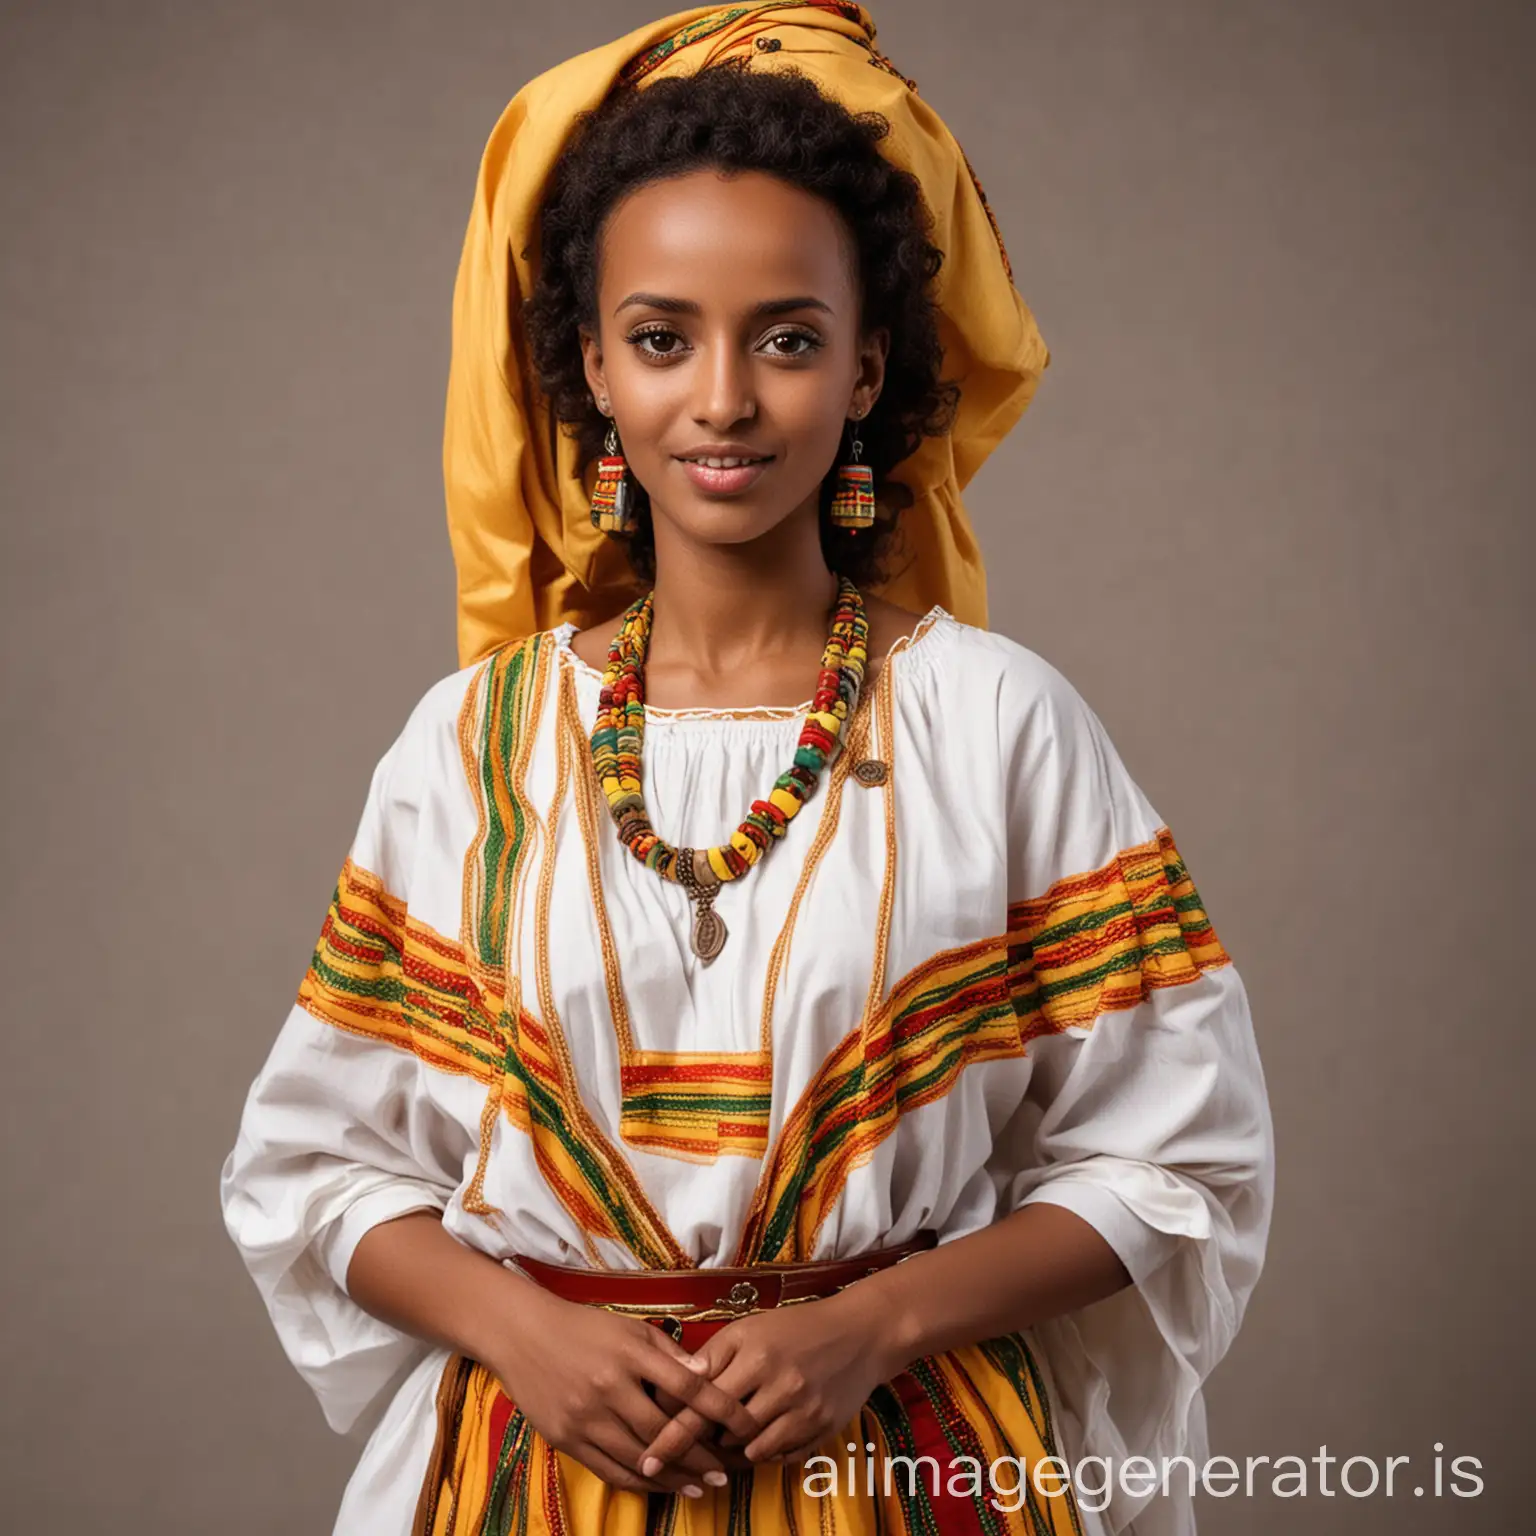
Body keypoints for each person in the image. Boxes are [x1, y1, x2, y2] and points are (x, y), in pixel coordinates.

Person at [219, 7, 1274, 1535]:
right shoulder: (474, 740)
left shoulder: (996, 722)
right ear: (592, 370)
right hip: (533, 1478)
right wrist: (529, 1334)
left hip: (907, 1475)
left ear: (866, 372)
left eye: (786, 337)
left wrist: (874, 1326)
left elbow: (1180, 1160)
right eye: (661, 338)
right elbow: (317, 1165)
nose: (721, 398)